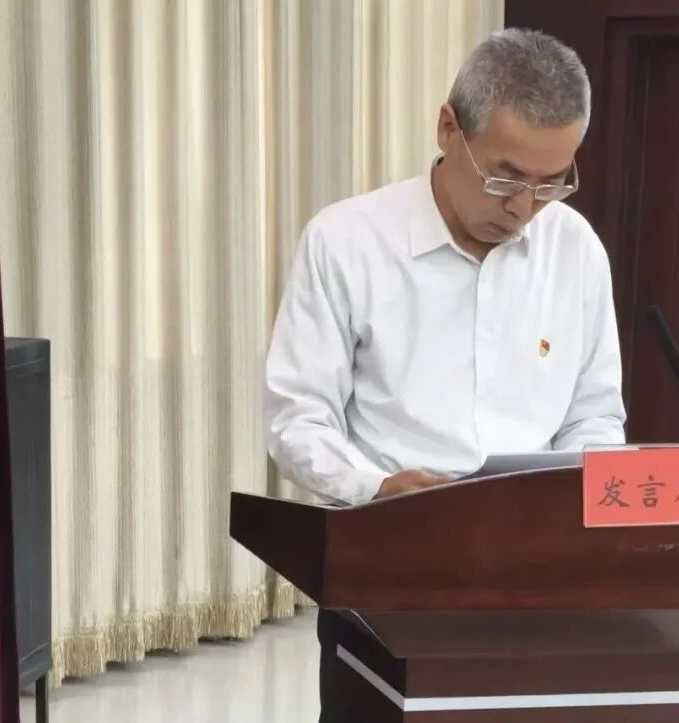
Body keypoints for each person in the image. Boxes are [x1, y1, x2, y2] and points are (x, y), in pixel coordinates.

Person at [263, 28, 626, 722]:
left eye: (553, 182)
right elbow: (297, 418)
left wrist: (581, 498)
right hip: (388, 576)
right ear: (448, 128)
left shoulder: (576, 249)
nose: (523, 208)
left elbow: (595, 415)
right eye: (506, 177)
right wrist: (378, 488)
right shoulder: (347, 242)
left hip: (541, 581)